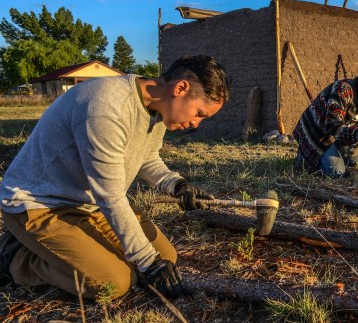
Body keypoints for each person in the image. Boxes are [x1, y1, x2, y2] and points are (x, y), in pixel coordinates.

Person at [0, 55, 229, 300]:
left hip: (90, 204)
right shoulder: (106, 107)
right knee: (113, 282)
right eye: (199, 113)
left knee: (167, 258)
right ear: (180, 88)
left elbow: (147, 156)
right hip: (41, 204)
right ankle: (14, 256)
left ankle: (57, 249)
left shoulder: (159, 110)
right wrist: (147, 263)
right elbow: (110, 196)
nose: (196, 123)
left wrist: (177, 185)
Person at [293, 63, 358, 178]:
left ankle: (333, 156)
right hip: (319, 134)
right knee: (337, 173)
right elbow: (332, 125)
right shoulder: (343, 89)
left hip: (339, 135)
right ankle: (305, 160)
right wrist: (356, 134)